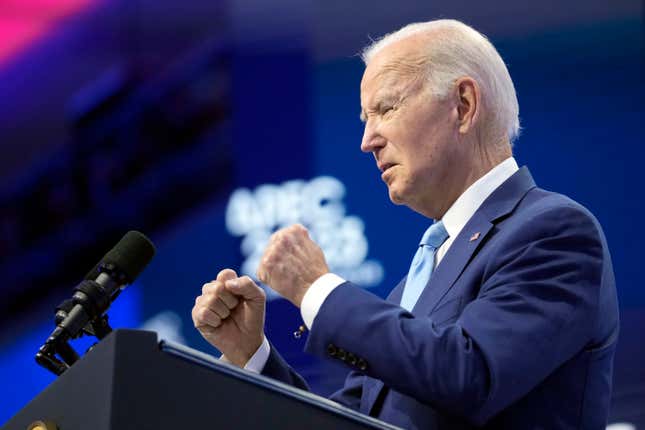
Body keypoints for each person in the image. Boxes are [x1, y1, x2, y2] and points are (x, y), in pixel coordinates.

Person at [191, 19, 618, 429]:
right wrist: (253, 357)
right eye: (365, 119)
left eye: (385, 109)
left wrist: (316, 288)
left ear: (463, 106)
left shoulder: (554, 232)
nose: (367, 141)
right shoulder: (413, 286)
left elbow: (470, 376)